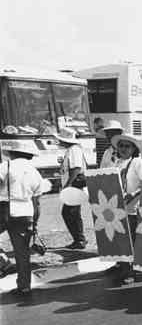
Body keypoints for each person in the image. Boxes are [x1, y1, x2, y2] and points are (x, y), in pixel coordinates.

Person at [0, 141, 45, 298]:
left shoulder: (6, 166)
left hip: (4, 210)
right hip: (26, 213)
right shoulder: (35, 172)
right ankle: (24, 286)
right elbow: (37, 202)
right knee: (22, 252)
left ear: (12, 153)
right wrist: (35, 223)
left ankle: (3, 261)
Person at [108, 134, 142, 285]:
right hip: (117, 208)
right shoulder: (117, 163)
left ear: (134, 148)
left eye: (127, 146)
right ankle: (123, 267)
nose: (124, 149)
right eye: (121, 146)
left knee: (131, 241)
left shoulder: (139, 163)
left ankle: (131, 272)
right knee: (120, 240)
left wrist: (133, 194)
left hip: (134, 208)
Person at [56, 128, 88, 249]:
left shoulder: (74, 149)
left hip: (75, 184)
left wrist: (69, 184)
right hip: (74, 184)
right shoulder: (72, 149)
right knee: (71, 213)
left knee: (70, 213)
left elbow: (76, 168)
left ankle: (79, 239)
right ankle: (79, 239)